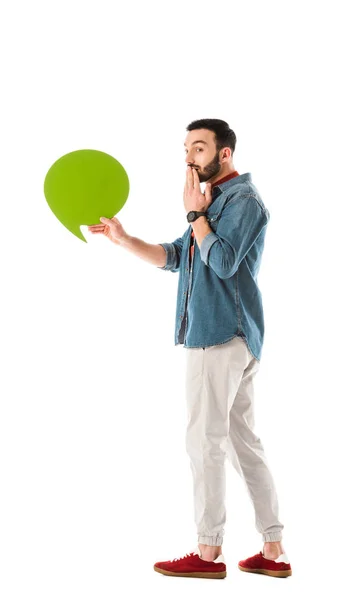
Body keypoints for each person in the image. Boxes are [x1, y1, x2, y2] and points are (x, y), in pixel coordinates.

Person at [88, 118, 292, 580]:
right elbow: (178, 257)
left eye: (198, 148)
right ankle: (274, 549)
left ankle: (207, 552)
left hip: (220, 336)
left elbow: (220, 263)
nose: (188, 157)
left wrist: (195, 215)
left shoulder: (241, 201)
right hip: (230, 337)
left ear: (224, 154)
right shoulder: (212, 202)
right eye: (185, 149)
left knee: (205, 442)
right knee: (243, 443)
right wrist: (124, 240)